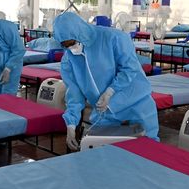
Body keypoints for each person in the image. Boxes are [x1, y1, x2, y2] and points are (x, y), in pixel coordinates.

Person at [53, 12, 159, 150]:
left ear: (80, 32)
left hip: (135, 102)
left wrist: (110, 91)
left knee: (148, 149)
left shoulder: (114, 38)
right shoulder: (68, 61)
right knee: (102, 152)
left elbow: (129, 68)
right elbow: (74, 93)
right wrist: (71, 125)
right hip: (103, 110)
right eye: (65, 45)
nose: (70, 48)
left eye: (72, 43)